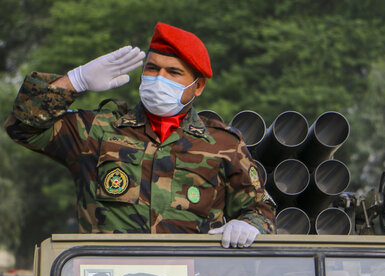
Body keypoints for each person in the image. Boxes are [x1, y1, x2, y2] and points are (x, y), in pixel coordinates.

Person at [4, 22, 275, 248]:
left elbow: (260, 210)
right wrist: (75, 81)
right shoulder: (97, 130)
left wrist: (248, 224)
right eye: (152, 68)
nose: (159, 78)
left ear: (198, 86)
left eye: (174, 72)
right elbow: (23, 127)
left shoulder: (222, 144)